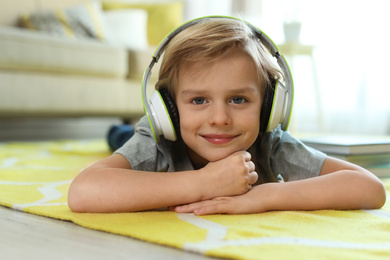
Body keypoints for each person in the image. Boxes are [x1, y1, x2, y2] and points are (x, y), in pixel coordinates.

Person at [68, 17, 386, 215]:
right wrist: (202, 182)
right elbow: (83, 191)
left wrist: (267, 196)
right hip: (137, 138)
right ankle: (116, 132)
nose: (219, 118)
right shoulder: (156, 140)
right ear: (168, 110)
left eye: (238, 99)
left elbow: (368, 187)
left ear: (268, 107)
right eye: (199, 100)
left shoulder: (270, 144)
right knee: (121, 139)